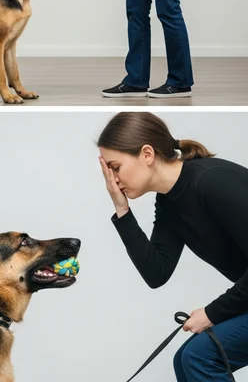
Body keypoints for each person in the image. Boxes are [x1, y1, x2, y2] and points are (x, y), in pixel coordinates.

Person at [97, 112, 248, 380]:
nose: (113, 179)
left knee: (200, 356)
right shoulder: (169, 202)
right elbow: (156, 273)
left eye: (115, 167)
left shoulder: (212, 181)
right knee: (185, 358)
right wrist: (122, 210)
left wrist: (211, 313)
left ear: (147, 154)